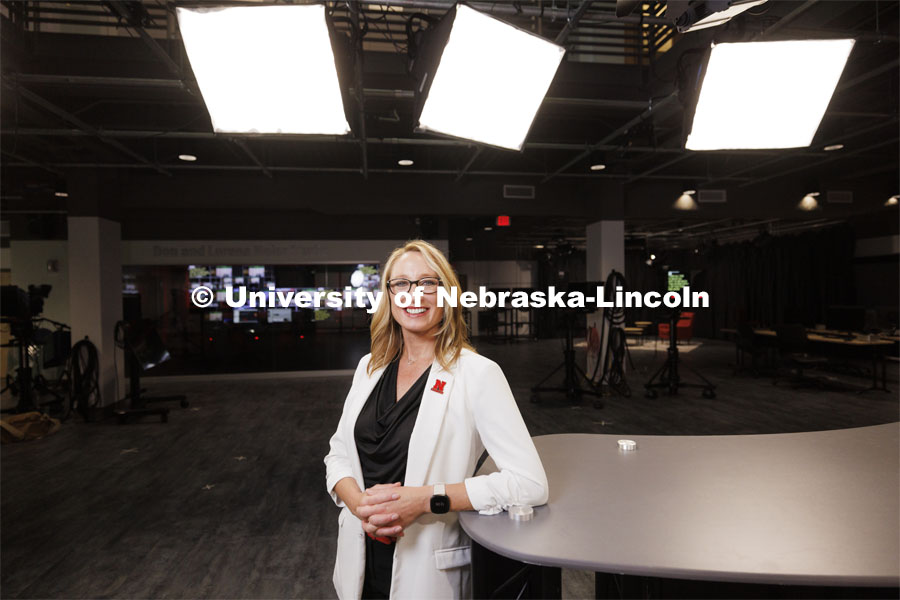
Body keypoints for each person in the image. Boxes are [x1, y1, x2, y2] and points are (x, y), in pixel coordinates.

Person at [324, 240, 549, 599]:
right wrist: (360, 506)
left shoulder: (477, 374)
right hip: (359, 562)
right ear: (389, 295)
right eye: (402, 284)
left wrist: (427, 500)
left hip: (427, 573)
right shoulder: (370, 367)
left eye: (429, 283)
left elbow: (530, 484)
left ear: (446, 295)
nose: (416, 295)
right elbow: (337, 455)